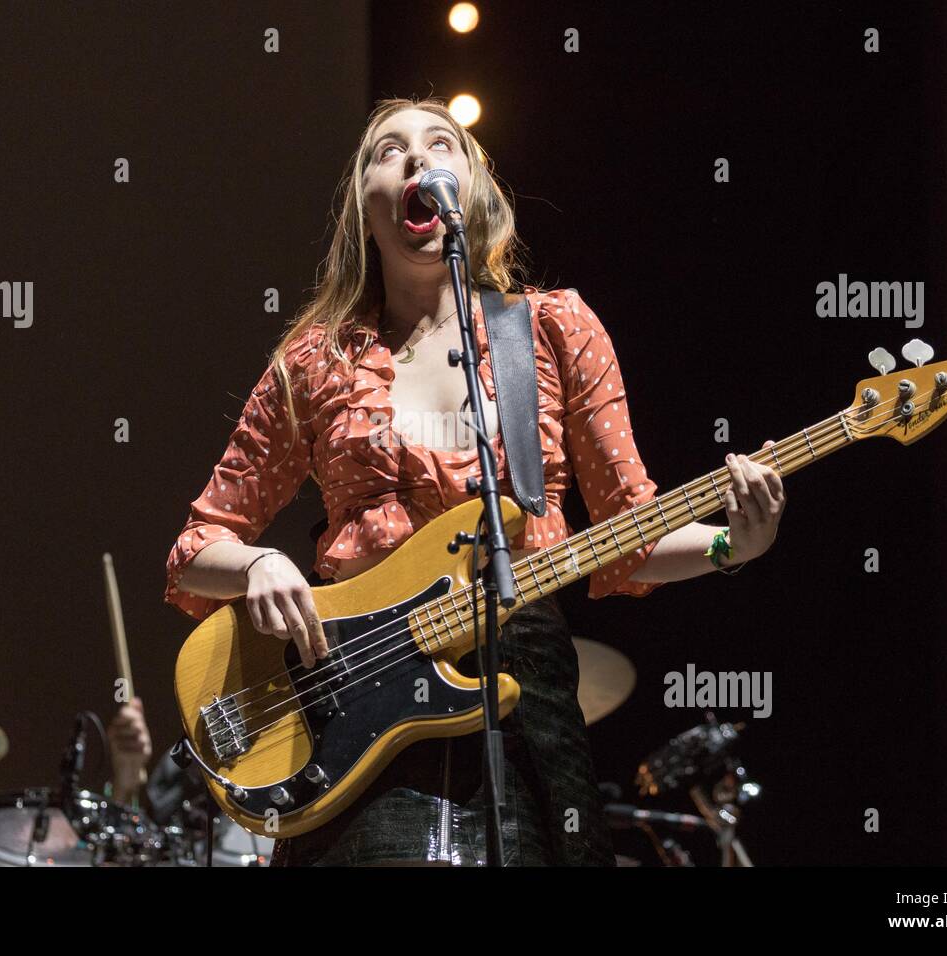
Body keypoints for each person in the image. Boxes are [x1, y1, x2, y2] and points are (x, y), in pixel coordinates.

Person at [163, 97, 787, 866]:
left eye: (440, 144)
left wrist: (736, 542)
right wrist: (258, 563)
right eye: (387, 152)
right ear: (365, 208)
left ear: (473, 188)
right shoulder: (315, 362)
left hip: (526, 705)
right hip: (350, 706)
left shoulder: (555, 331)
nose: (417, 159)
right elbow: (198, 545)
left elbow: (632, 537)